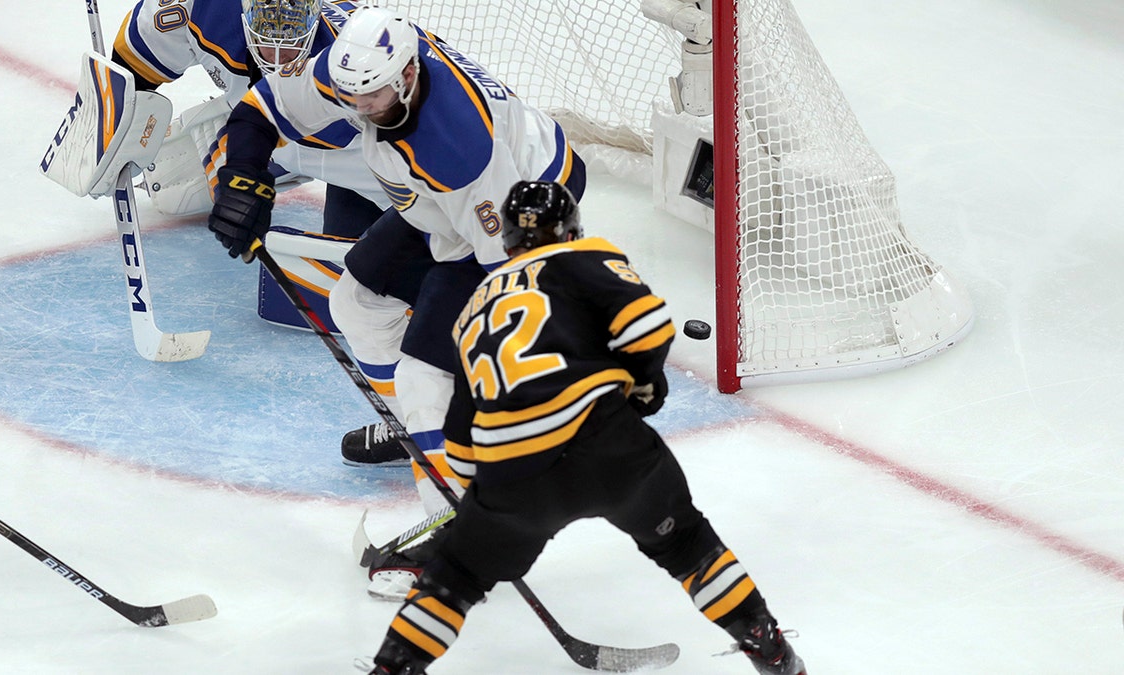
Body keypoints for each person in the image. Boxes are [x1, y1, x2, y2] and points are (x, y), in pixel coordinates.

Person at [363, 181, 807, 675]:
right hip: (606, 444)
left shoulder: (473, 308)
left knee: (456, 579)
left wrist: (479, 510)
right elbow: (648, 327)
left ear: (506, 242)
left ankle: (393, 667)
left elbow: (461, 436)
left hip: (512, 475)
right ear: (571, 229)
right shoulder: (583, 256)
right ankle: (769, 650)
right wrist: (640, 385)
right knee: (687, 546)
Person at [205, 6, 587, 531]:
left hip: (525, 206)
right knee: (356, 303)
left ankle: (464, 531)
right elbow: (259, 111)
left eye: (374, 98)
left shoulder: (459, 149)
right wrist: (242, 178)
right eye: (350, 98)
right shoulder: (358, 73)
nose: (359, 108)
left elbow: (515, 277)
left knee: (426, 378)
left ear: (408, 76)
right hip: (435, 202)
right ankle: (418, 436)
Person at [110, 0, 400, 460]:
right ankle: (275, 159)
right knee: (172, 187)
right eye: (267, 31)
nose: (279, 51)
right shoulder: (198, 7)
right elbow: (128, 66)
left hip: (373, 164)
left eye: (291, 34)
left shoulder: (353, 65)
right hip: (281, 128)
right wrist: (113, 120)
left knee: (365, 293)